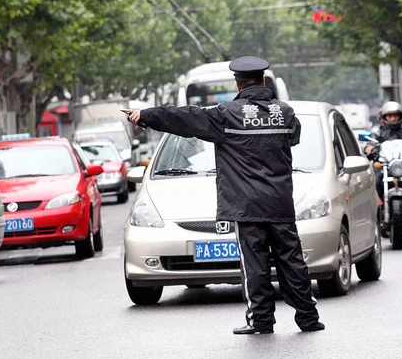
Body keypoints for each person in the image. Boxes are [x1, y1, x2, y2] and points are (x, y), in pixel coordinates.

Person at [122, 56, 324, 335]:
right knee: (292, 259)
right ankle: (308, 318)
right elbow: (293, 138)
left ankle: (262, 320)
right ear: (264, 81)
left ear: (237, 84)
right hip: (280, 203)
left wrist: (146, 115)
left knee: (254, 265)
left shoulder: (226, 115)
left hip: (247, 207)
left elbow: (184, 118)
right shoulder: (286, 113)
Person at [364, 101, 402, 228]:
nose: (392, 118)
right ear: (384, 117)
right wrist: (370, 149)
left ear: (400, 116)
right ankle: (379, 209)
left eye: (395, 115)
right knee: (375, 181)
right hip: (385, 168)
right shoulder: (378, 133)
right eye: (389, 116)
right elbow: (369, 146)